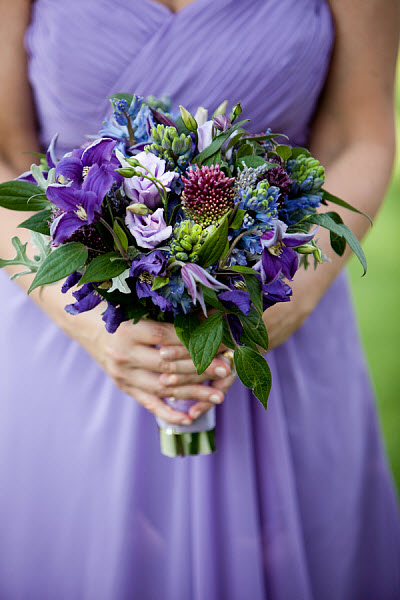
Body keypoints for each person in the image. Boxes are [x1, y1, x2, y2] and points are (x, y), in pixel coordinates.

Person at [0, 0, 399, 598]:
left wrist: (289, 298)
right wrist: (83, 322)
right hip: (68, 326)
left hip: (277, 319)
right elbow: (7, 153)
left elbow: (360, 136)